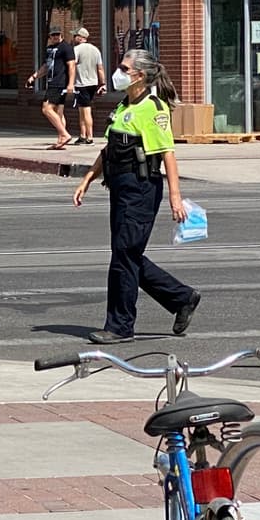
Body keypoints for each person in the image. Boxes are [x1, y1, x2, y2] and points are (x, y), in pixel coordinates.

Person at [71, 49, 201, 345]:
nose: (118, 72)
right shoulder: (123, 105)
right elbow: (109, 150)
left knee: (124, 255)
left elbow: (167, 154)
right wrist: (88, 178)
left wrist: (175, 198)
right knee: (125, 253)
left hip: (141, 190)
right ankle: (182, 298)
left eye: (123, 68)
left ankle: (120, 326)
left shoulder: (153, 109)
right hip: (119, 187)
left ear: (139, 75)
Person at [25, 26, 75, 149]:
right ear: (50, 37)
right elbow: (46, 67)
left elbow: (72, 66)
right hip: (51, 82)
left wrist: (71, 84)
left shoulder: (66, 48)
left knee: (46, 109)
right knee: (59, 113)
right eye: (53, 35)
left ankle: (64, 134)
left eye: (57, 34)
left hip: (59, 83)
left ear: (61, 35)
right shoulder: (50, 49)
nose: (55, 37)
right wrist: (34, 76)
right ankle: (61, 140)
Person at [70, 28, 106, 145]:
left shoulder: (76, 49)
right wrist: (103, 83)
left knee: (86, 110)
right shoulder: (95, 50)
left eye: (75, 36)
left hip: (82, 84)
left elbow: (72, 66)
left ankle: (90, 137)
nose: (74, 38)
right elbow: (100, 68)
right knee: (82, 110)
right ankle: (82, 135)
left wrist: (69, 81)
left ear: (80, 37)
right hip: (93, 83)